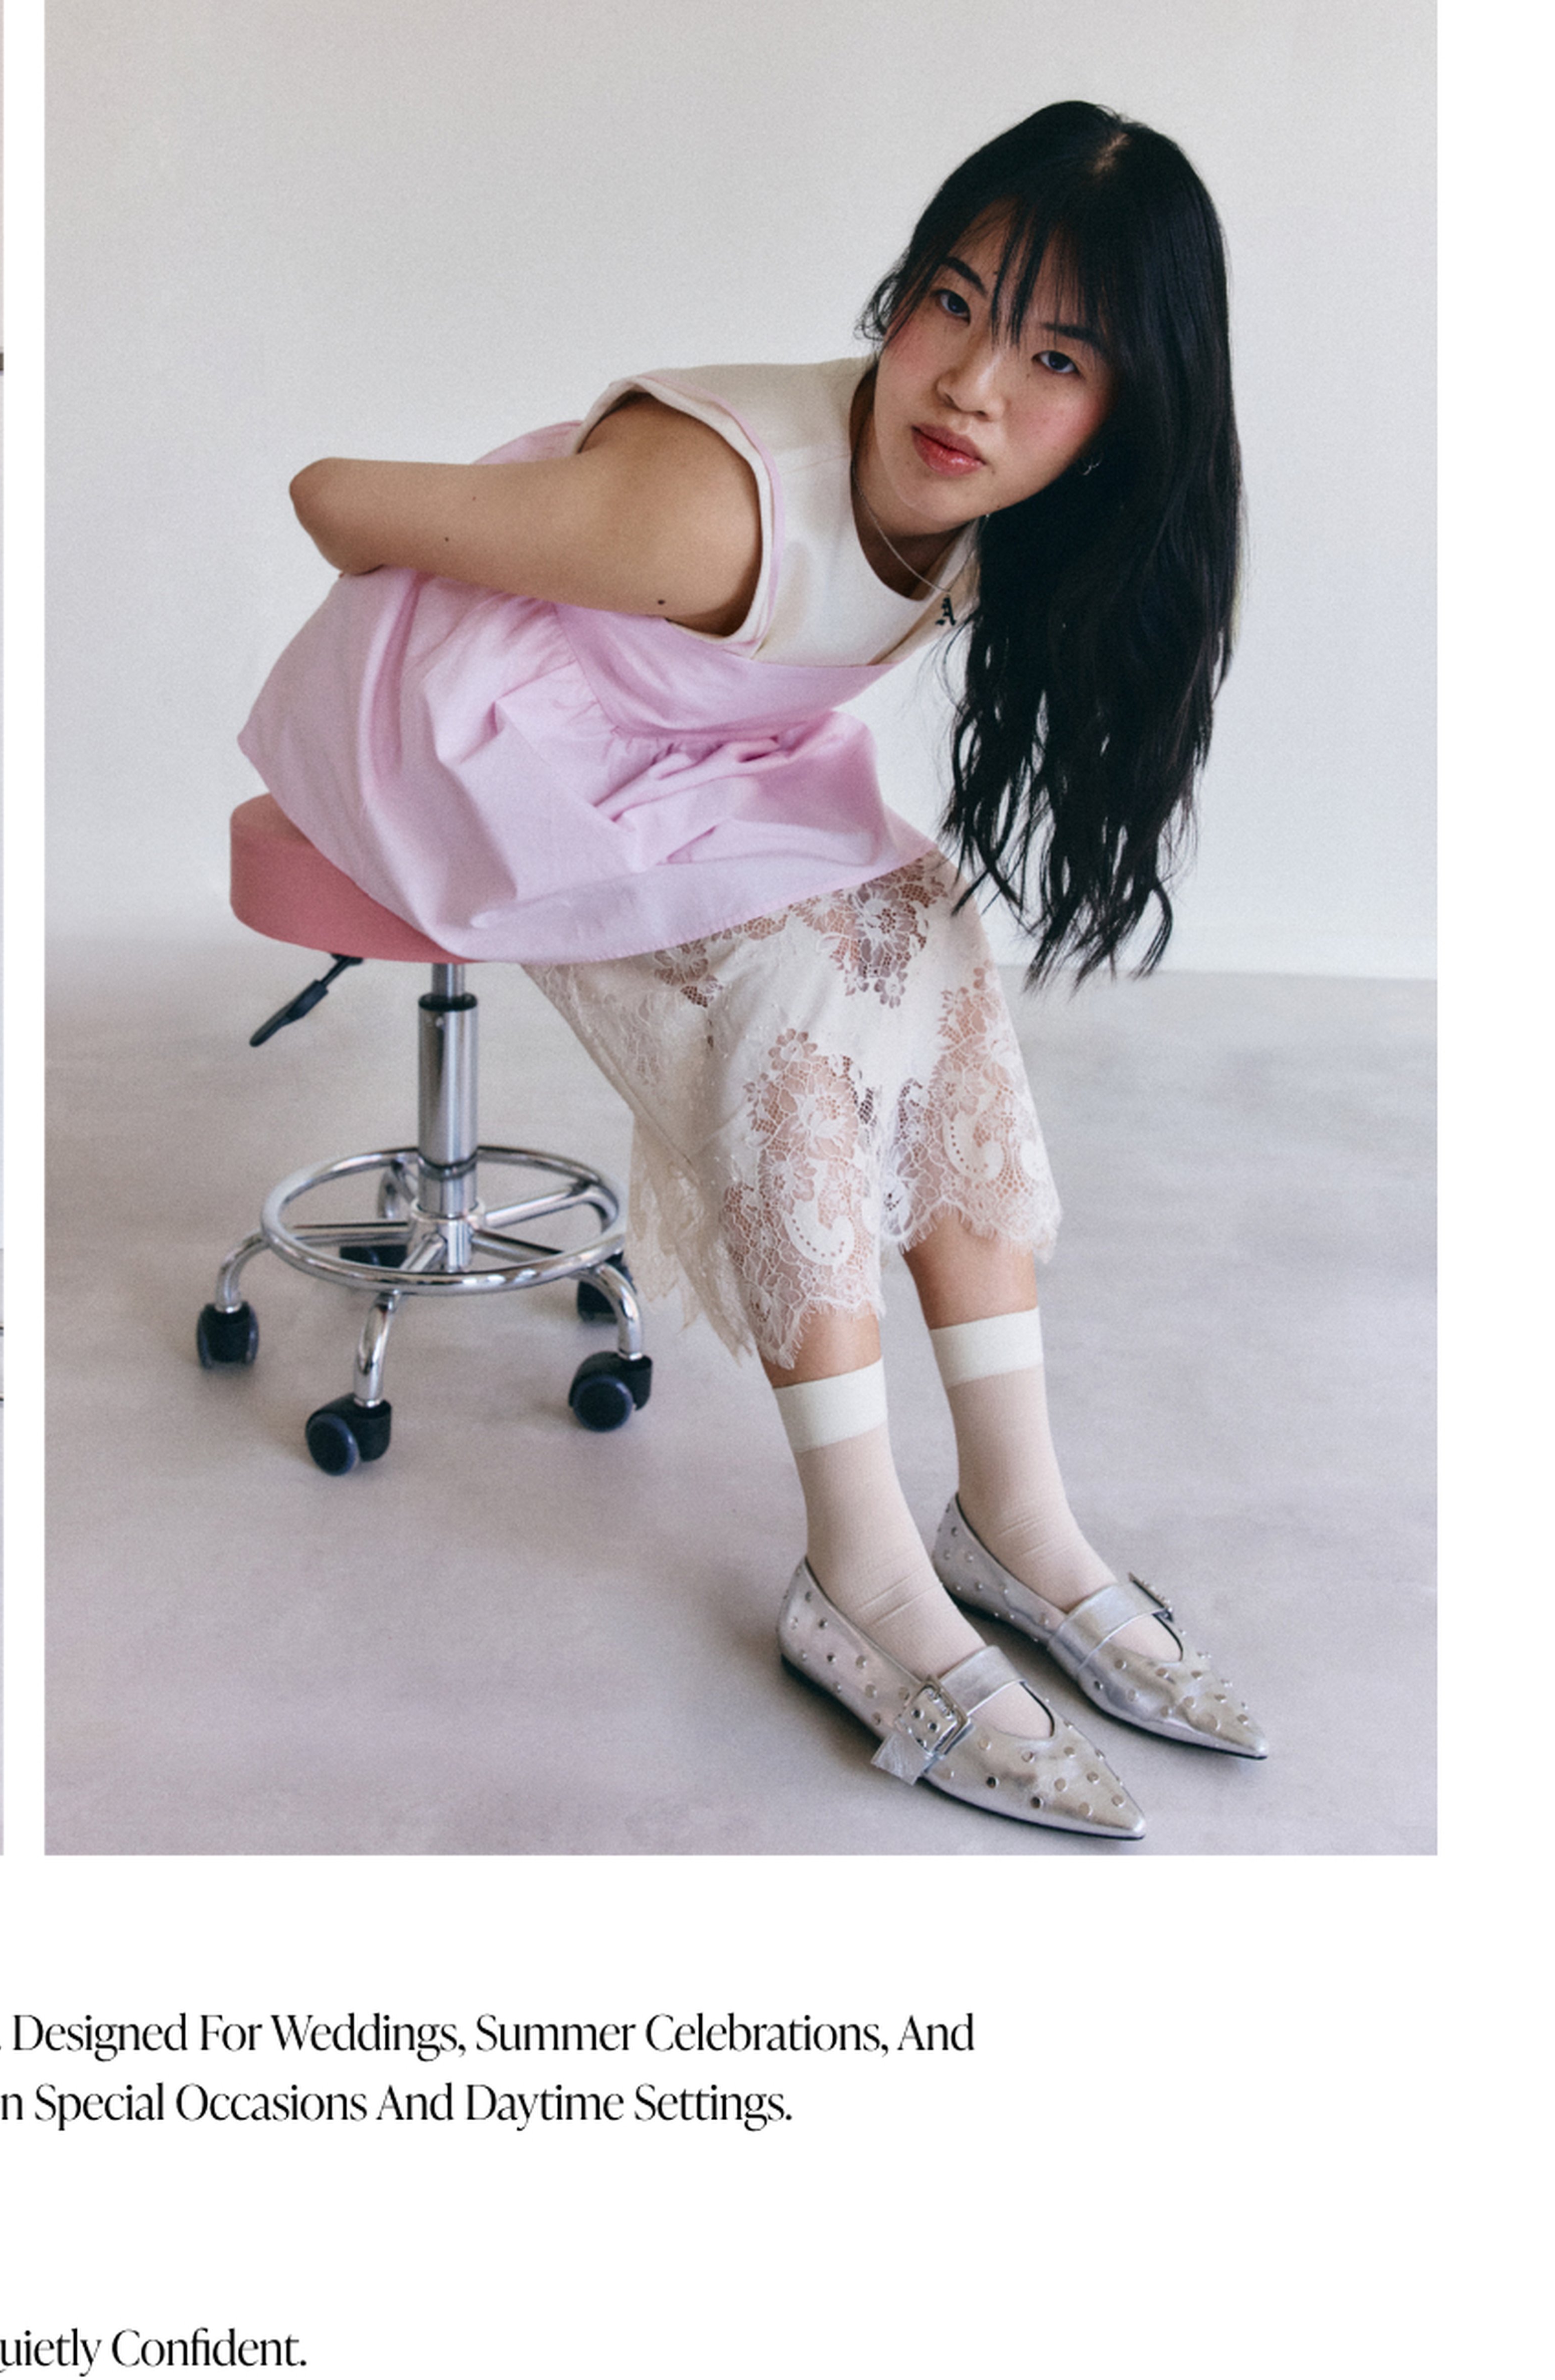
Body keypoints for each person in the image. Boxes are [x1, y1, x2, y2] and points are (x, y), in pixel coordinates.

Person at [241, 102, 1260, 1838]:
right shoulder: (699, 515)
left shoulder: (997, 512)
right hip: (475, 746)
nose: (970, 386)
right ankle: (860, 1572)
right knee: (798, 1000)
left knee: (930, 928)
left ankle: (1018, 1520)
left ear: (1121, 419)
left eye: (1055, 352)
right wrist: (558, 524)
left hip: (685, 747)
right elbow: (331, 499)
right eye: (949, 301)